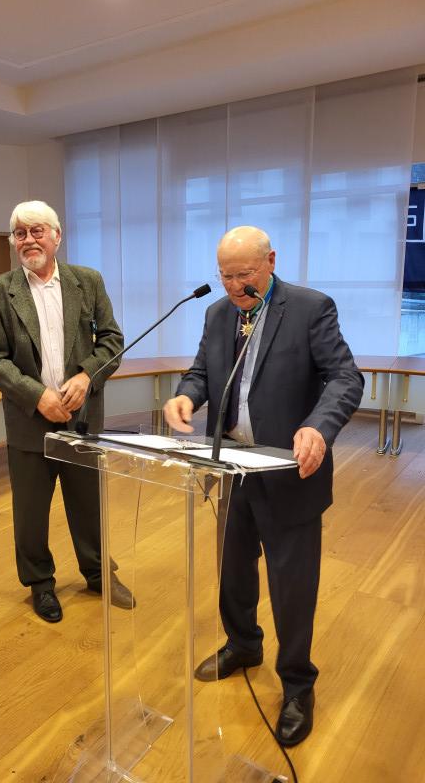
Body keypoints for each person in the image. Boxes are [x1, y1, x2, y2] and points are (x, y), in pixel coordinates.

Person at [163, 226, 363, 746]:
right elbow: (202, 372)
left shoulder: (310, 308)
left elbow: (346, 377)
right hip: (230, 464)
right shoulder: (218, 313)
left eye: (244, 274)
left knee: (292, 583)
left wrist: (318, 426)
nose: (233, 285)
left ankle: (297, 682)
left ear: (270, 261)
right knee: (232, 567)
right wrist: (186, 396)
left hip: (287, 468)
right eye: (225, 275)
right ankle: (243, 643)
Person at [0, 200, 133, 623]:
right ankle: (40, 585)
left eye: (38, 231)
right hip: (29, 421)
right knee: (30, 511)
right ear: (13, 242)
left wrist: (86, 377)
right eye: (20, 233)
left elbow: (113, 342)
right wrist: (35, 395)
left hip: (82, 419)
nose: (29, 240)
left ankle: (98, 574)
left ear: (57, 236)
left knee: (88, 503)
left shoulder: (88, 281)